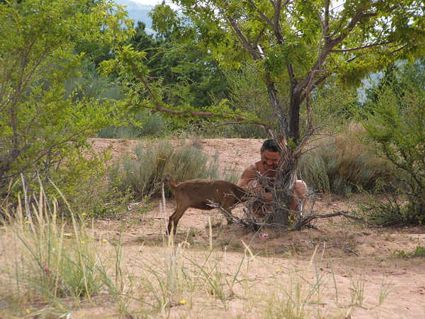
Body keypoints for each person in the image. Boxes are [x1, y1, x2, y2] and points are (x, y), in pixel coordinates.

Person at [238, 139, 307, 216]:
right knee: (252, 184)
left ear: (282, 157)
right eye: (266, 158)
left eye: (274, 160)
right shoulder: (253, 169)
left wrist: (271, 196)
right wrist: (252, 188)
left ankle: (295, 218)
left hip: (283, 205)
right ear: (261, 153)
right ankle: (260, 219)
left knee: (300, 185)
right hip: (262, 208)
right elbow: (238, 190)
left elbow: (291, 188)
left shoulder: (286, 169)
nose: (269, 163)